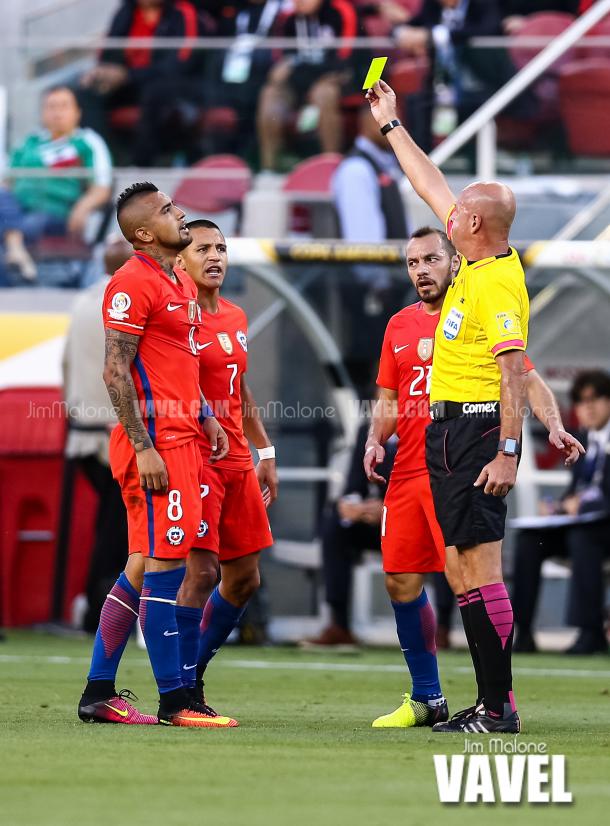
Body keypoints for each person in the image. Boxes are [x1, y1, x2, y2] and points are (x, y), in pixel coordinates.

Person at [364, 225, 583, 728]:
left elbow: (526, 376)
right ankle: (427, 698)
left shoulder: (475, 313)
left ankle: (493, 700)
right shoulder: (398, 325)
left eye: (430, 260)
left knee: (467, 574)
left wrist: (552, 424)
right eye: (412, 263)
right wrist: (376, 438)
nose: (421, 270)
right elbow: (389, 395)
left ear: (454, 262)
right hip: (408, 470)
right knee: (399, 578)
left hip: (456, 462)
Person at [77, 182, 231, 728]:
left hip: (184, 435)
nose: (179, 212)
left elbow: (177, 363)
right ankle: (176, 702)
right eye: (167, 210)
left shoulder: (178, 281)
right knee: (166, 567)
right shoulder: (131, 282)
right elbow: (115, 370)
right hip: (156, 443)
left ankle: (99, 693)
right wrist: (144, 446)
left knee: (142, 565)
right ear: (145, 233)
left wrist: (206, 413)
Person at [173, 219, 278, 706]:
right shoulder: (177, 319)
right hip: (197, 458)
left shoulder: (235, 316)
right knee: (201, 574)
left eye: (220, 248)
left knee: (244, 578)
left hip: (237, 459)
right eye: (202, 248)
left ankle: (193, 673)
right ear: (181, 259)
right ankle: (180, 689)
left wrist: (266, 451)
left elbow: (239, 389)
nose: (214, 256)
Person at [513, 369, 610, 655]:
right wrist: (557, 507)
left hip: (602, 527)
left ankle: (589, 632)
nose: (588, 406)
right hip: (585, 525)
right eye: (581, 400)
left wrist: (584, 505)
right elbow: (576, 490)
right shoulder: (585, 439)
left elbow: (598, 495)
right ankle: (524, 632)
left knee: (583, 538)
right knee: (530, 541)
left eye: (595, 398)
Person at [62, 237, 132, 632]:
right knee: (120, 532)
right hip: (119, 434)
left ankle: (95, 611)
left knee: (109, 526)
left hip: (83, 434)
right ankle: (101, 615)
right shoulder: (128, 305)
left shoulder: (82, 301)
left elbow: (66, 365)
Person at [0, 86, 112, 284]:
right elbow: (7, 182)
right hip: (19, 211)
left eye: (63, 106)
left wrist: (83, 207)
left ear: (77, 112)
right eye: (51, 107)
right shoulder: (28, 142)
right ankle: (16, 252)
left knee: (27, 225)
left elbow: (102, 187)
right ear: (43, 113)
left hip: (59, 214)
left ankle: (15, 252)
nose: (57, 112)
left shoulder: (87, 142)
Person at [79, 0, 206, 165]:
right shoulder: (125, 12)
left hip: (170, 84)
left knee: (154, 93)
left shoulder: (182, 11)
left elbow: (181, 62)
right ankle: (104, 162)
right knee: (87, 93)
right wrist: (102, 73)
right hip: (127, 84)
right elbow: (108, 52)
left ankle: (141, 166)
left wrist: (128, 75)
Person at [257, 0, 368, 171]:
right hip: (299, 82)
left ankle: (330, 166)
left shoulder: (341, 11)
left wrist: (300, 68)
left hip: (340, 81)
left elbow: (346, 58)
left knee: (324, 92)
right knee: (270, 93)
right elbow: (280, 61)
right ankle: (270, 168)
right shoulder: (288, 18)